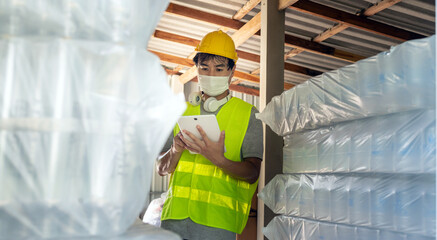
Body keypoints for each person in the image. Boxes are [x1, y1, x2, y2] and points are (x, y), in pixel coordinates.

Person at [157, 30, 263, 240]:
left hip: (217, 227)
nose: (211, 75)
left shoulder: (248, 115)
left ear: (232, 72)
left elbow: (252, 173)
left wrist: (218, 159)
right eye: (204, 68)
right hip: (172, 223)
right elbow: (162, 168)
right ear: (197, 70)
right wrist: (175, 149)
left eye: (219, 68)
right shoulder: (180, 112)